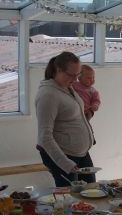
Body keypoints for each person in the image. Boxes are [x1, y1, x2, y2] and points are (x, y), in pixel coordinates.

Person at [35, 52, 95, 185]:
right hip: (64, 156)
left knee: (92, 190)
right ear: (58, 70)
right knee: (69, 199)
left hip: (80, 153)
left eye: (78, 75)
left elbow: (69, 115)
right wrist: (65, 163)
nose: (75, 80)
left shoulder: (67, 87)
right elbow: (44, 136)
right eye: (71, 75)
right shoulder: (48, 95)